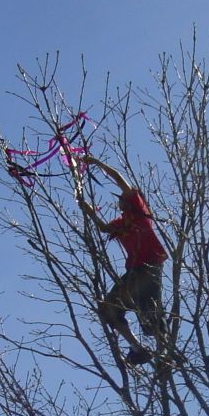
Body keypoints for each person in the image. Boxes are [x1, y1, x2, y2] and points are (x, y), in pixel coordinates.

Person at [78, 155, 167, 365]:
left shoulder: (139, 209)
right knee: (108, 309)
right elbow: (104, 228)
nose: (119, 198)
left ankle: (165, 352)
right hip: (135, 269)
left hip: (151, 264)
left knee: (150, 312)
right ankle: (138, 349)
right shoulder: (122, 222)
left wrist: (97, 164)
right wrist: (90, 212)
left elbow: (118, 178)